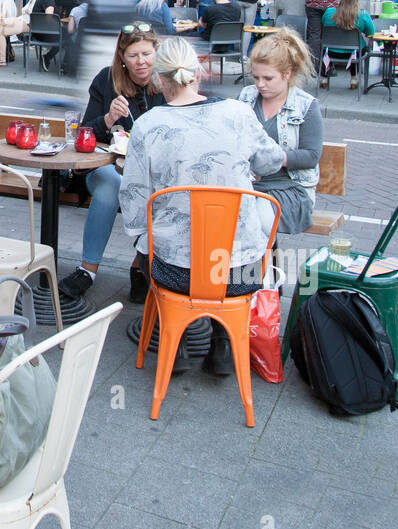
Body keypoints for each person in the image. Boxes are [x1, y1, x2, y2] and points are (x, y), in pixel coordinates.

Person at [120, 38, 285, 375]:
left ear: (159, 80)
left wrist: (143, 242)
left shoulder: (148, 126)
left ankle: (175, 340)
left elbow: (134, 203)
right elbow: (272, 161)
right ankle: (223, 343)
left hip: (176, 272)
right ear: (198, 73)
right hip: (241, 273)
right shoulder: (237, 113)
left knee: (151, 242)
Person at [58, 26, 166, 304]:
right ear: (122, 56)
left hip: (155, 169)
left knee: (165, 192)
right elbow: (85, 134)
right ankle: (87, 270)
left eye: (146, 54)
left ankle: (139, 265)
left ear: (157, 52)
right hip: (110, 165)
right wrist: (107, 119)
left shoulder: (168, 81)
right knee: (111, 187)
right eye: (133, 55)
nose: (141, 61)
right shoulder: (107, 80)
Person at [237, 28, 323, 234]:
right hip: (248, 184)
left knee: (259, 216)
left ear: (287, 74)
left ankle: (262, 266)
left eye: (268, 78)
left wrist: (272, 158)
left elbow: (311, 156)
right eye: (256, 77)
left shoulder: (306, 105)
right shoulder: (247, 96)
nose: (260, 84)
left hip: (290, 188)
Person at [321, 0, 375, 88]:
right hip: (354, 53)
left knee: (324, 44)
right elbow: (371, 33)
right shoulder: (362, 15)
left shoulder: (329, 12)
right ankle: (354, 78)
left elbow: (323, 27)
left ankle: (324, 78)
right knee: (358, 47)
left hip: (331, 51)